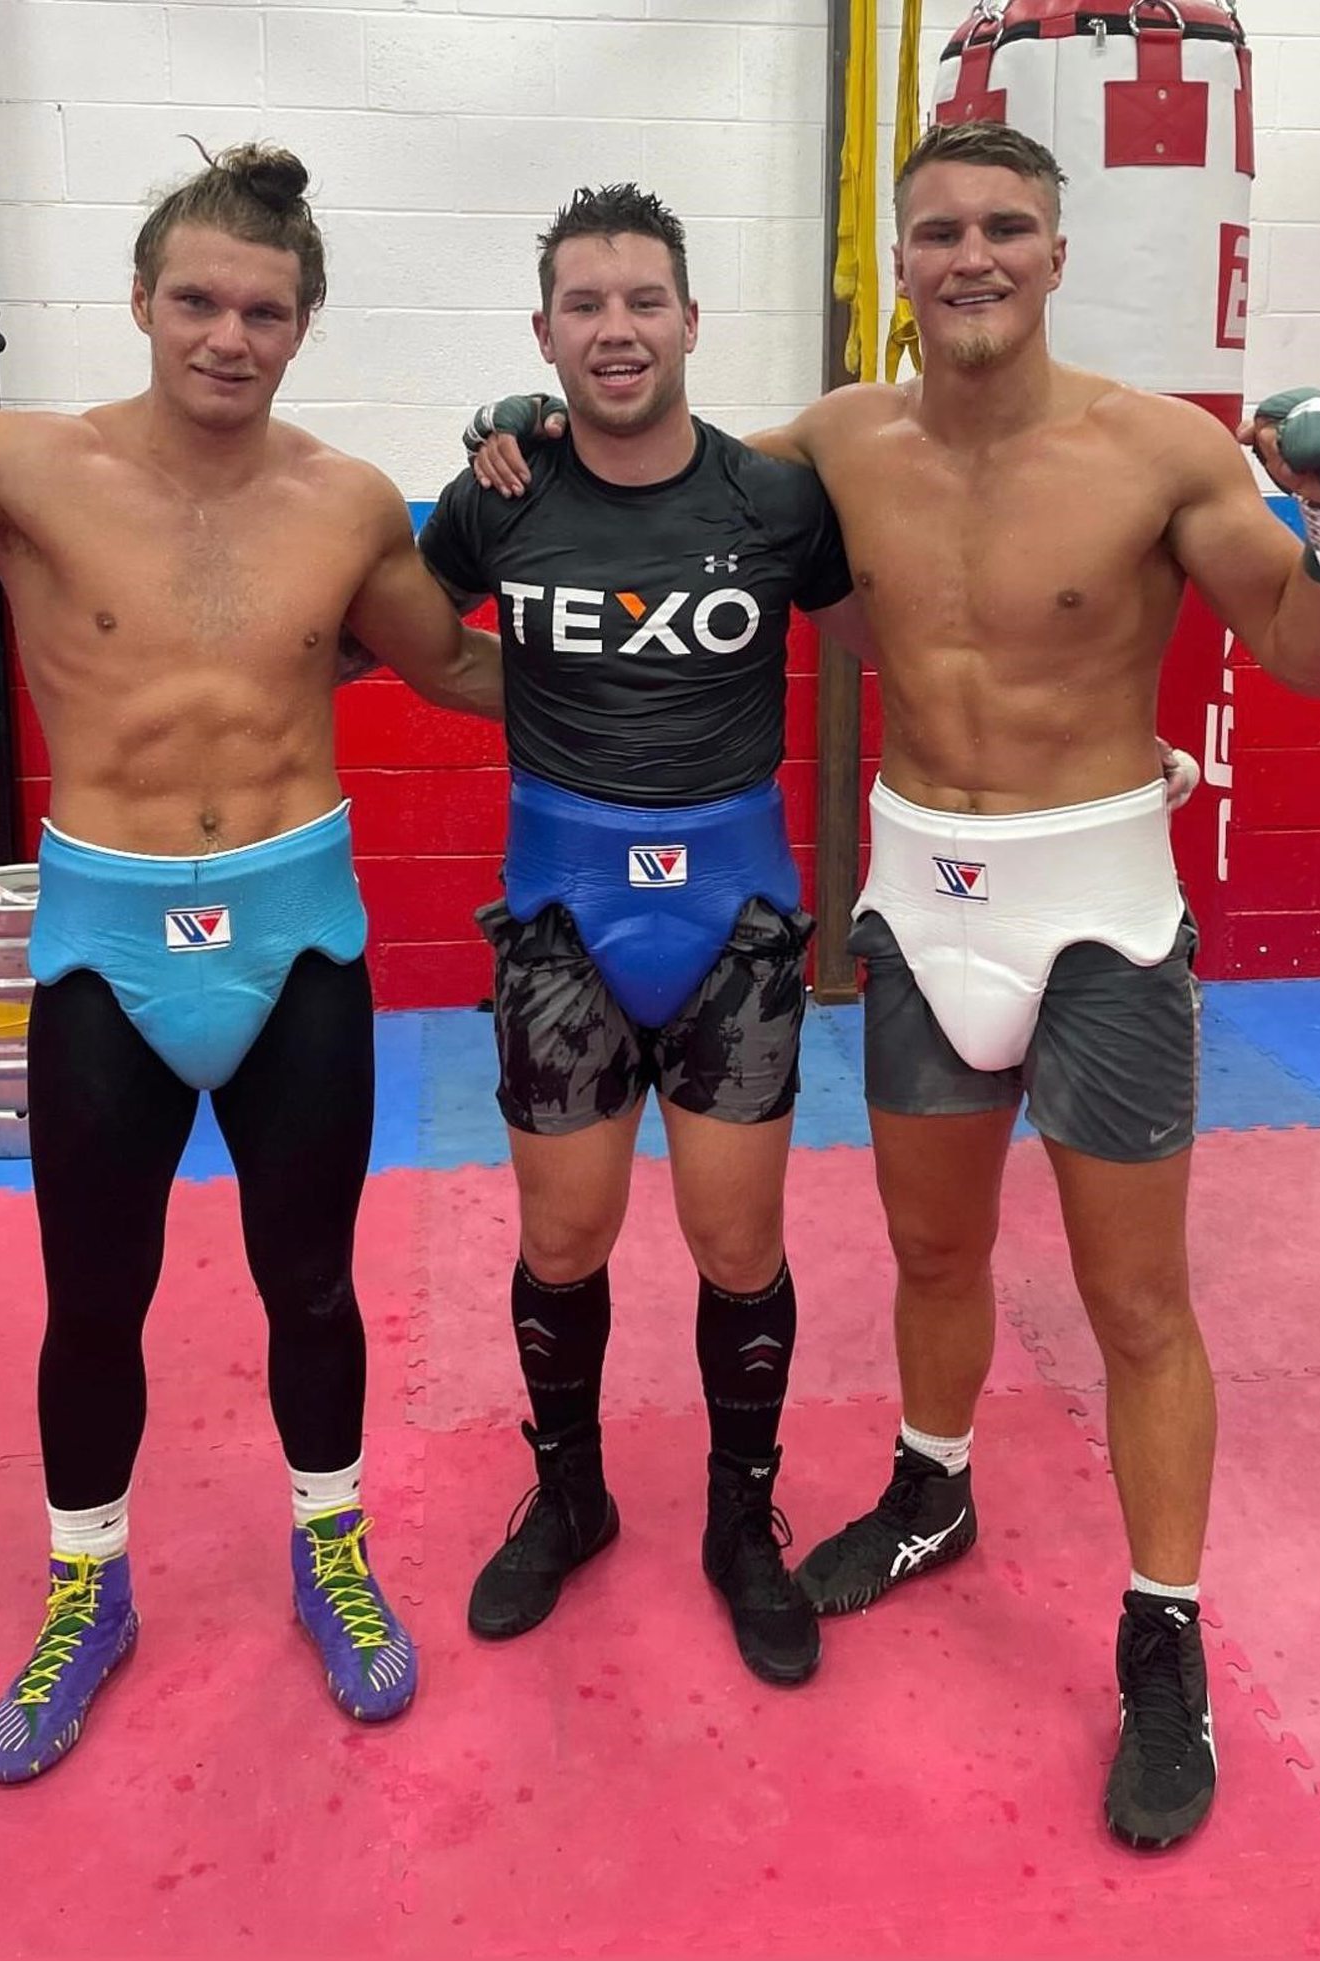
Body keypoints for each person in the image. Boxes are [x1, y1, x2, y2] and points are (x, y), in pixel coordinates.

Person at [466, 123, 1320, 1849]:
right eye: (940, 229)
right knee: (934, 1251)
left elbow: (1317, 669)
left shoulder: (1159, 453)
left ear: (1053, 248)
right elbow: (650, 457)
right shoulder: (825, 451)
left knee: (1137, 1306)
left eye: (1005, 228)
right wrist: (521, 450)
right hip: (916, 899)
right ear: (901, 257)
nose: (972, 255)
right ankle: (933, 1488)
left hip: (1098, 903)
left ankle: (1162, 1632)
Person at [0, 143, 502, 1782]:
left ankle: (329, 1551)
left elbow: (457, 668)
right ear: (137, 301)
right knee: (91, 1297)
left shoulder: (341, 498)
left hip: (299, 933)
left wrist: (659, 665)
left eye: (263, 310)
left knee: (314, 1278)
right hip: (106, 944)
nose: (226, 335)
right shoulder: (14, 465)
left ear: (306, 324)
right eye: (195, 299)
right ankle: (87, 1589)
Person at [422, 184, 862, 1689]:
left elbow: (899, 644)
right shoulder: (498, 499)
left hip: (731, 918)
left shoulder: (776, 502)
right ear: (543, 330)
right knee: (563, 1238)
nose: (617, 329)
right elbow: (402, 638)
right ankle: (573, 1495)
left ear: (689, 319)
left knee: (740, 1244)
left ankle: (744, 1525)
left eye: (643, 301)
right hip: (561, 916)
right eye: (585, 305)